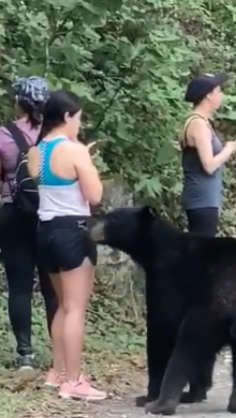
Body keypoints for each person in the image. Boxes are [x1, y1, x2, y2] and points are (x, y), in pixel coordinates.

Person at [28, 90, 106, 400]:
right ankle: (73, 382)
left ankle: (57, 372)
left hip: (46, 230)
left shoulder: (37, 151)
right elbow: (95, 195)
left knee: (62, 305)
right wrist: (87, 161)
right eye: (79, 117)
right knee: (75, 308)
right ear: (67, 117)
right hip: (73, 231)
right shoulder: (75, 151)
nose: (80, 123)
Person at [0, 76, 58, 370]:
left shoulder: (3, 135)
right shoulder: (55, 134)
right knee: (52, 287)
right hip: (50, 214)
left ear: (18, 102)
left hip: (13, 214)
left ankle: (25, 354)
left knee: (20, 287)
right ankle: (60, 352)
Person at [180, 73, 236, 237]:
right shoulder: (198, 124)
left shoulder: (201, 122)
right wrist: (228, 150)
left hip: (205, 200)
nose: (221, 95)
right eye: (218, 91)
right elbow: (209, 165)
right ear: (208, 96)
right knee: (201, 254)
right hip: (201, 200)